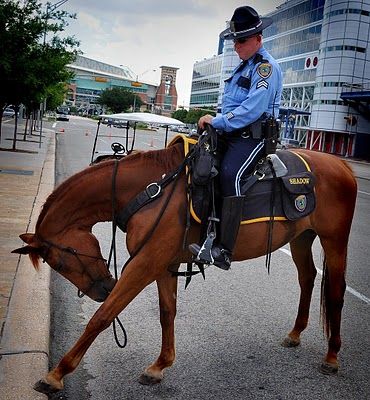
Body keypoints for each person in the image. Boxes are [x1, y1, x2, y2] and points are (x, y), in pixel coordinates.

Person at [189, 6, 283, 270]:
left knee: (230, 174)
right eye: (234, 41)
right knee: (201, 165)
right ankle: (205, 231)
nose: (236, 45)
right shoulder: (244, 67)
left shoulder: (265, 69)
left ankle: (224, 249)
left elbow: (252, 110)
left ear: (258, 38)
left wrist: (215, 121)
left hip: (254, 138)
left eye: (241, 40)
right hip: (233, 135)